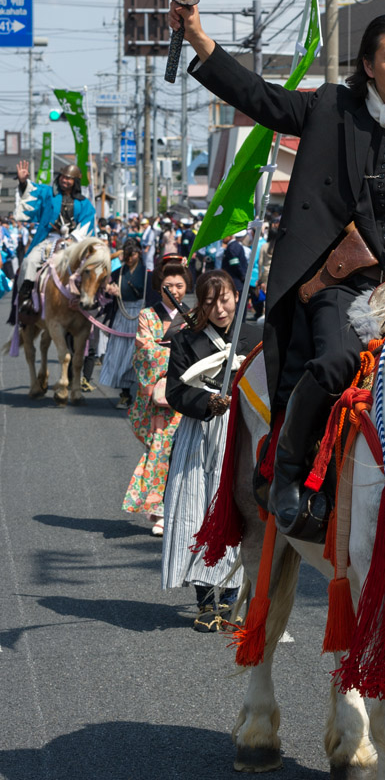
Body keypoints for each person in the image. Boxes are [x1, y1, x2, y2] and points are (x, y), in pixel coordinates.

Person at [169, 1, 385, 543]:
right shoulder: (329, 110)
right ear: (369, 64)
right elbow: (259, 97)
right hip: (343, 281)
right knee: (337, 358)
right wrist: (199, 37)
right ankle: (287, 474)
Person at [162, 270, 261, 631]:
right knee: (199, 511)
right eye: (209, 302)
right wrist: (206, 402)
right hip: (201, 434)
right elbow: (175, 391)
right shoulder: (186, 340)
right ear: (199, 304)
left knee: (240, 511)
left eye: (225, 299)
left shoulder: (257, 336)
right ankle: (206, 601)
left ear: (238, 296)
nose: (219, 308)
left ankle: (233, 599)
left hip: (245, 433)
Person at [122, 257, 190, 535]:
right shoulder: (147, 316)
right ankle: (161, 508)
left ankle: (176, 506)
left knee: (185, 451)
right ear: (158, 288)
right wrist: (179, 357)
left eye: (180, 285)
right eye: (168, 286)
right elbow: (145, 352)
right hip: (160, 394)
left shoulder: (193, 316)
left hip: (187, 390)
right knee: (160, 449)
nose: (174, 291)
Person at [14, 159, 95, 318]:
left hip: (74, 243)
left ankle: (90, 300)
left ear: (75, 181)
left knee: (92, 267)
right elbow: (32, 191)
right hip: (48, 239)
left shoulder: (84, 203)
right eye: (63, 177)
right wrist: (23, 182)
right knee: (29, 261)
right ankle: (26, 301)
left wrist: (73, 238)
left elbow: (87, 222)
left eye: (69, 178)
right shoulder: (48, 193)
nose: (65, 180)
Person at [100, 238, 146, 409]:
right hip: (123, 312)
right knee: (120, 355)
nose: (129, 258)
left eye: (132, 254)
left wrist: (122, 291)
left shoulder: (147, 272)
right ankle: (125, 393)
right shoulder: (119, 272)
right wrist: (109, 289)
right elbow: (105, 283)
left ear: (139, 253)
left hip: (140, 314)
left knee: (139, 355)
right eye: (126, 254)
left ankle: (143, 393)